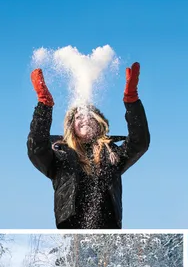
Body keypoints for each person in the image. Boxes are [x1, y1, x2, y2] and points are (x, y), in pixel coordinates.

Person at [27, 63, 150, 229]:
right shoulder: (60, 155)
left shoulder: (112, 153)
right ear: (72, 127)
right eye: (78, 117)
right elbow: (36, 148)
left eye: (89, 116)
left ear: (99, 124)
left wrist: (131, 100)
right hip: (71, 228)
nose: (84, 119)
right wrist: (44, 104)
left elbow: (140, 142)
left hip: (108, 228)